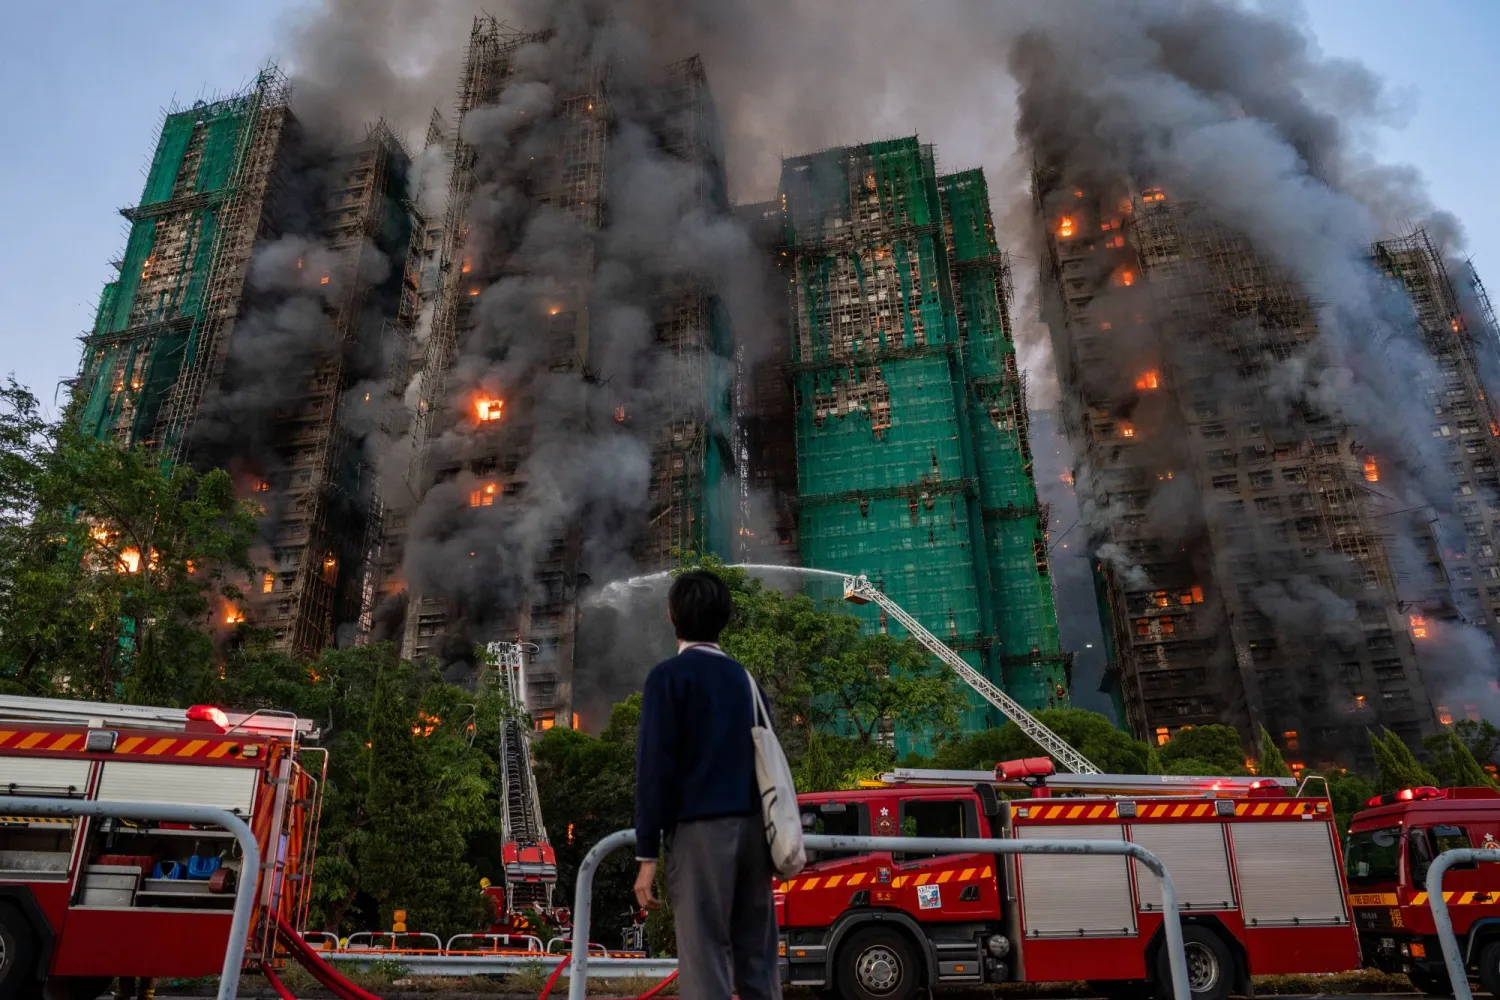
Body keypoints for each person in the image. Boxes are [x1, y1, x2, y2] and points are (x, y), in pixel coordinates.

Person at [634, 570, 780, 1000]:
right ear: (725, 618)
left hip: (700, 835)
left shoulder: (668, 678)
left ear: (671, 616)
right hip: (756, 835)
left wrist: (647, 854)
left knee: (705, 961)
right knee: (758, 961)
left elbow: (654, 768)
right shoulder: (746, 681)